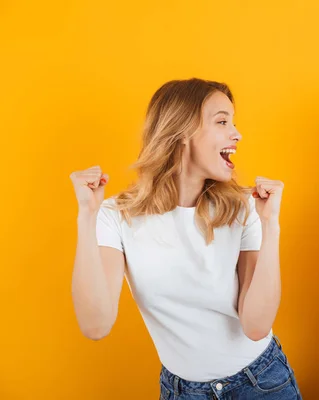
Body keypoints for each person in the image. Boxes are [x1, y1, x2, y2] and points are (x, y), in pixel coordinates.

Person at [70, 78, 302, 399]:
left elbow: (256, 325)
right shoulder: (115, 215)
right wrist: (87, 215)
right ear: (181, 132)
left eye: (233, 122)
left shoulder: (244, 208)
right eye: (222, 122)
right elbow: (95, 326)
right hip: (181, 391)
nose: (237, 134)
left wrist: (271, 224)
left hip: (260, 383)